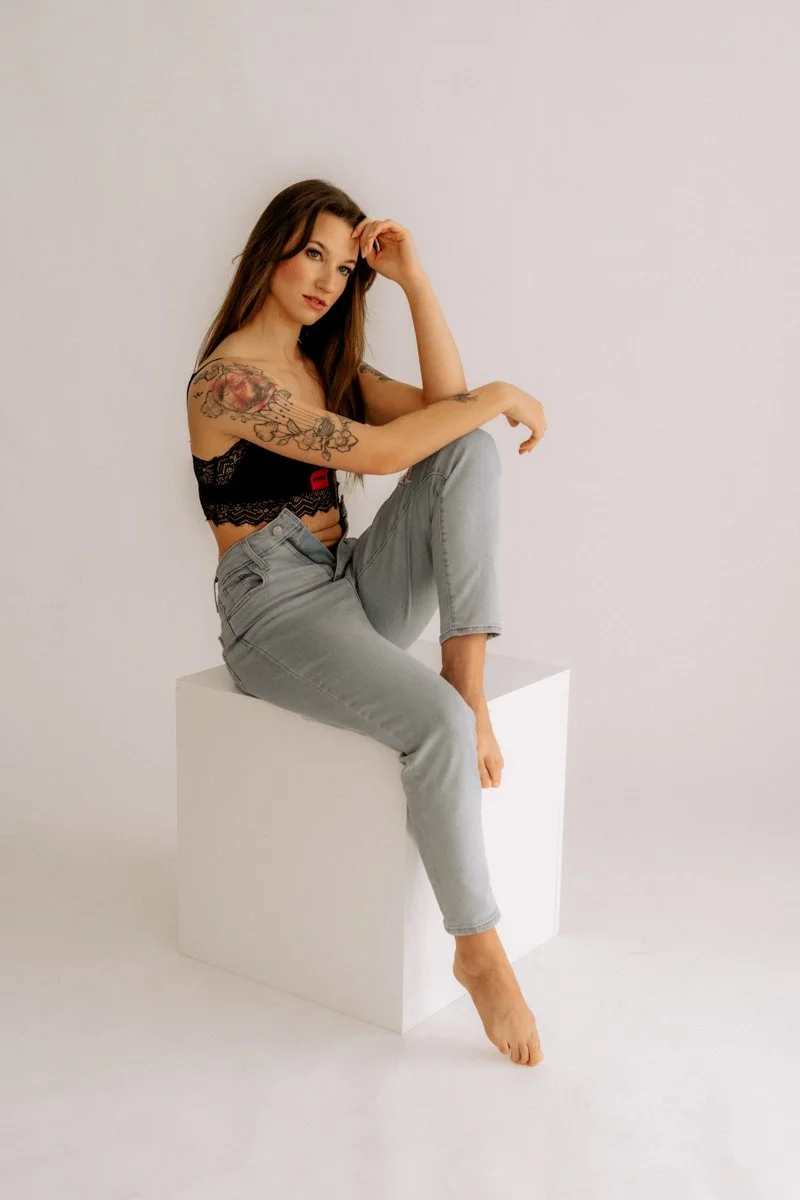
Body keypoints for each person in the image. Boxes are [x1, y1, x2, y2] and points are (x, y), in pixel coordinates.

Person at [186, 178, 547, 1066]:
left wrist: (415, 283)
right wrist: (503, 389)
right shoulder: (226, 384)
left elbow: (447, 417)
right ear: (271, 248)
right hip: (273, 611)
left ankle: (467, 683)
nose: (327, 280)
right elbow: (385, 453)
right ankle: (478, 946)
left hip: (346, 579)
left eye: (345, 269)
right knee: (432, 727)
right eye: (313, 254)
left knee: (468, 449)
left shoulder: (325, 365)